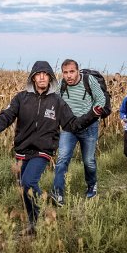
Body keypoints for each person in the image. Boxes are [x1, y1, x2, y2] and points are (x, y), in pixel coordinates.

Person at [0, 60, 102, 233]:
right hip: (22, 150)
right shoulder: (21, 98)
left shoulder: (57, 102)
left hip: (43, 150)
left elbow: (72, 124)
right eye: (38, 74)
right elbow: (7, 115)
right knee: (23, 188)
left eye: (45, 74)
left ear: (50, 78)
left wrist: (92, 115)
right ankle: (34, 224)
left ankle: (42, 209)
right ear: (33, 77)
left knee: (28, 182)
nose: (42, 77)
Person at [49, 59, 105, 206]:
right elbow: (54, 104)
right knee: (62, 160)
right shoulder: (60, 85)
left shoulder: (89, 80)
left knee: (89, 160)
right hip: (69, 129)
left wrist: (92, 114)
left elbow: (101, 99)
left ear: (78, 71)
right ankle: (58, 193)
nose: (69, 76)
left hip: (89, 127)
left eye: (72, 71)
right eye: (65, 72)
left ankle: (92, 185)